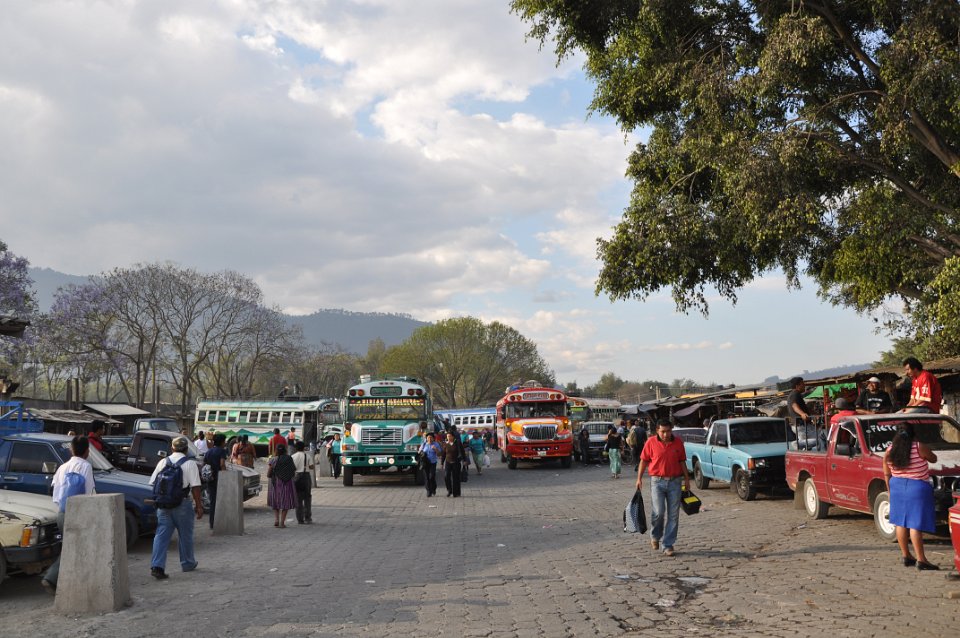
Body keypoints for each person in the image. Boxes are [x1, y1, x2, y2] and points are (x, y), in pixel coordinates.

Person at [41, 435, 96, 594]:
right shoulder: (86, 466)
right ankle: (51, 578)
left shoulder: (62, 467)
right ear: (87, 451)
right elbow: (90, 493)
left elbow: (56, 494)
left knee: (71, 546)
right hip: (78, 515)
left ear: (71, 450)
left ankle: (67, 582)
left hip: (62, 513)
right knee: (74, 548)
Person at [883, 423, 939, 570]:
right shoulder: (919, 447)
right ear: (913, 434)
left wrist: (890, 490)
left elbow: (887, 473)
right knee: (915, 524)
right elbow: (934, 459)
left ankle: (906, 556)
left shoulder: (890, 450)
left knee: (900, 522)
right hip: (917, 487)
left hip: (896, 486)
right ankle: (921, 560)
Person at [149, 436, 203, 579]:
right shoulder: (190, 464)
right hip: (183, 504)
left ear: (172, 448)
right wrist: (199, 506)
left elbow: (152, 483)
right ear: (186, 449)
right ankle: (187, 563)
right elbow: (196, 487)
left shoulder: (163, 462)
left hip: (163, 505)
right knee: (185, 535)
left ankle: (157, 566)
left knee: (161, 535)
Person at [637, 420, 691, 557]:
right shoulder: (650, 442)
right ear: (657, 431)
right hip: (657, 482)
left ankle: (668, 544)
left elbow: (682, 461)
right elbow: (644, 460)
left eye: (668, 431)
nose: (666, 434)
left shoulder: (678, 443)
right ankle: (655, 536)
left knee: (673, 515)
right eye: (663, 432)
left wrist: (686, 478)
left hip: (675, 482)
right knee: (659, 512)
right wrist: (639, 479)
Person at [202, 433, 228, 530]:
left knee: (213, 502)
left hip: (210, 480)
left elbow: (204, 464)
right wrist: (225, 476)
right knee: (221, 502)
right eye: (224, 441)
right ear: (221, 442)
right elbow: (222, 464)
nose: (225, 443)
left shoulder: (209, 451)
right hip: (219, 479)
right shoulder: (222, 451)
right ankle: (221, 523)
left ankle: (212, 523)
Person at [267, 445, 297, 528]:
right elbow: (293, 469)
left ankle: (276, 520)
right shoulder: (289, 458)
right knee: (285, 502)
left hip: (275, 483)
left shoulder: (273, 459)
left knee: (275, 501)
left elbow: (269, 474)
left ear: (276, 451)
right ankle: (282, 522)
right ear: (285, 450)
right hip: (287, 483)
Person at [291, 441, 314, 524]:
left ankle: (300, 519)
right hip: (306, 477)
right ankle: (308, 517)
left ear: (296, 448)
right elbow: (311, 467)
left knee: (298, 498)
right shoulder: (307, 456)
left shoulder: (293, 456)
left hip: (296, 477)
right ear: (304, 447)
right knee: (307, 498)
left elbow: (292, 468)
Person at [419, 432, 443, 496]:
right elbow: (419, 452)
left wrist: (436, 449)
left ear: (433, 438)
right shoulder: (424, 444)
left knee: (432, 476)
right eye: (428, 438)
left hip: (433, 463)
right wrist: (420, 452)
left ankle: (433, 488)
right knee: (426, 477)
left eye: (431, 438)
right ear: (426, 438)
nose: (429, 439)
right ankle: (428, 491)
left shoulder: (436, 444)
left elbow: (439, 454)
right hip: (425, 463)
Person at [441, 431, 463, 497]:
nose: (449, 437)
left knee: (455, 478)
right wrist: (442, 463)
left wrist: (464, 460)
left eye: (450, 436)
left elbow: (462, 452)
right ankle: (449, 490)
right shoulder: (445, 444)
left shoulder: (458, 443)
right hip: (448, 462)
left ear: (453, 437)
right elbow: (443, 454)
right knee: (446, 476)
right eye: (447, 436)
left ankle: (456, 492)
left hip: (456, 462)